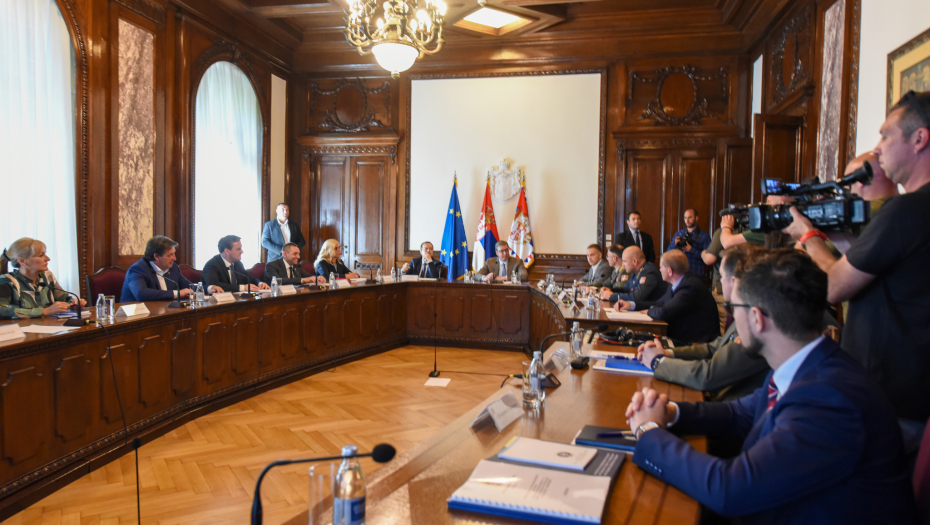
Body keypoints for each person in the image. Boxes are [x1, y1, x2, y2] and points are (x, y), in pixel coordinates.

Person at [624, 249, 916, 523]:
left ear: (756, 318)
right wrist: (669, 411)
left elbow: (731, 489)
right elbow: (740, 414)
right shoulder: (806, 364)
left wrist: (649, 432)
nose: (732, 316)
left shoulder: (831, 398)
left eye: (733, 307)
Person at [781, 90, 930, 454]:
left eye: (885, 136)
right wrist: (844, 241)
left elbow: (833, 287)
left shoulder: (905, 210)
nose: (877, 148)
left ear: (919, 139)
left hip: (888, 397)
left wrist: (808, 235)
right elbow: (887, 274)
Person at [637, 244, 769, 402]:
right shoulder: (745, 311)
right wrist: (668, 353)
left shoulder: (753, 319)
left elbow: (708, 376)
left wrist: (658, 362)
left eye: (721, 276)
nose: (720, 281)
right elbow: (715, 347)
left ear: (734, 282)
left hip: (730, 404)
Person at [615, 250, 718, 343]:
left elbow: (664, 312)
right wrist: (631, 305)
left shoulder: (689, 287)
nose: (659, 270)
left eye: (661, 267)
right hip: (683, 336)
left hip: (697, 343)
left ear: (669, 271)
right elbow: (659, 303)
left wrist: (649, 311)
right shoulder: (675, 284)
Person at [0, 238, 85, 319]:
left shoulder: (47, 276)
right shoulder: (7, 281)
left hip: (50, 327)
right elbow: (2, 310)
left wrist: (74, 304)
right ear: (22, 261)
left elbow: (65, 300)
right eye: (41, 255)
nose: (48, 259)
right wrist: (44, 311)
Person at [121, 236, 193, 302]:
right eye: (169, 255)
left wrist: (198, 289)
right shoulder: (137, 270)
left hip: (166, 310)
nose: (174, 258)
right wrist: (177, 293)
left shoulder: (173, 268)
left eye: (174, 254)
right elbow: (141, 294)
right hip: (138, 311)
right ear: (156, 257)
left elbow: (189, 286)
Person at [202, 235, 270, 294]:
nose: (242, 251)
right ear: (227, 251)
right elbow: (214, 286)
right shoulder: (212, 265)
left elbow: (249, 278)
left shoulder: (237, 263)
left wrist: (260, 283)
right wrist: (243, 288)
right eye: (238, 249)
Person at [600, 246, 665, 304]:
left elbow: (636, 298)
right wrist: (610, 290)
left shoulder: (648, 273)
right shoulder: (636, 271)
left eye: (625, 261)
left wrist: (611, 296)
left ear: (635, 261)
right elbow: (626, 289)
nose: (623, 265)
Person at [667, 209, 711, 277]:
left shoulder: (704, 236)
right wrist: (674, 244)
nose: (687, 220)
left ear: (696, 218)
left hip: (695, 273)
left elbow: (708, 258)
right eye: (685, 218)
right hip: (680, 273)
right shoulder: (679, 233)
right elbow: (668, 253)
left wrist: (691, 249)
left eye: (690, 217)